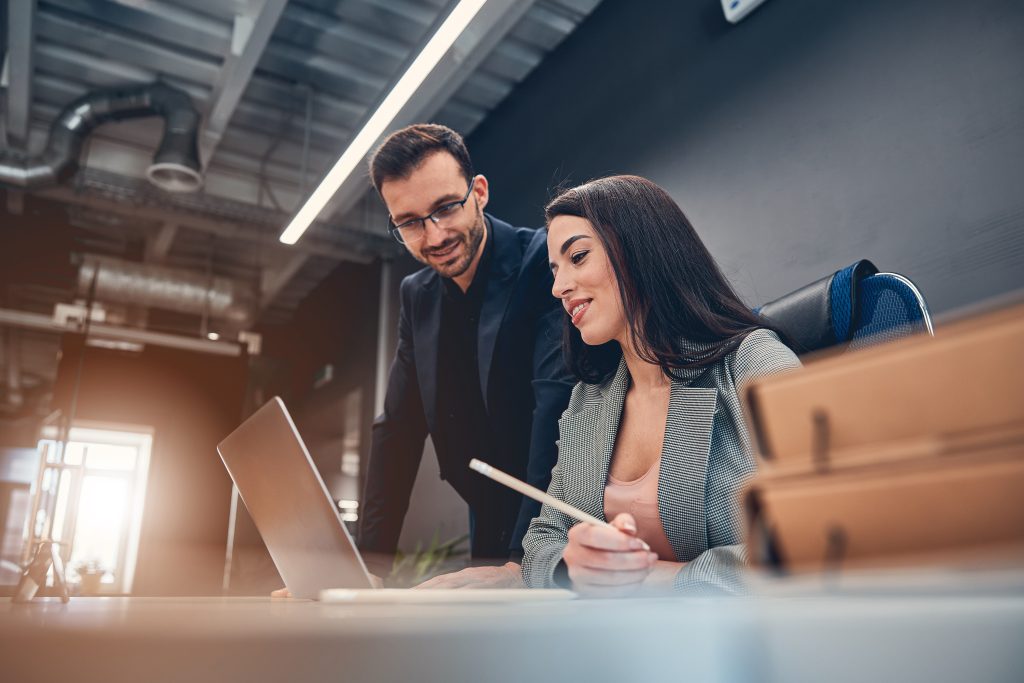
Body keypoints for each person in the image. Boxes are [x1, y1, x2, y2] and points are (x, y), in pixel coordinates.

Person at [439, 174, 800, 593]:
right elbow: (542, 540)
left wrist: (662, 576)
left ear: (638, 249)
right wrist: (573, 566)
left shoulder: (753, 362)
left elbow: (817, 534)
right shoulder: (587, 400)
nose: (558, 287)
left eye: (578, 257)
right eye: (554, 270)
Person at [357, 124, 574, 578]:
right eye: (410, 222)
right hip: (486, 508)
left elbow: (554, 408)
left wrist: (521, 561)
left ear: (479, 192)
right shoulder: (417, 295)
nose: (434, 235)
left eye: (444, 208)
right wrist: (367, 566)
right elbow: (397, 429)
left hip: (556, 508)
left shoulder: (541, 261)